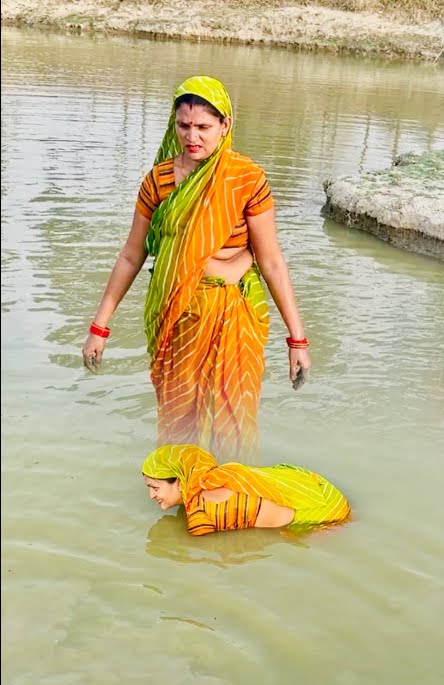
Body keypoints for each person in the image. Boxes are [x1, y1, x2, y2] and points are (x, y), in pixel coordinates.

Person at [81, 76, 310, 461]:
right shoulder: (158, 181)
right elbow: (131, 256)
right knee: (178, 418)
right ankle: (179, 498)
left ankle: (225, 501)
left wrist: (297, 339)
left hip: (232, 317)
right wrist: (99, 327)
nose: (193, 137)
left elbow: (270, 260)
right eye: (184, 126)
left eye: (204, 127)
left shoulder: (245, 178)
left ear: (226, 125)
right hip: (176, 317)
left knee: (232, 418)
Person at [142, 444, 350, 536]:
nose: (151, 496)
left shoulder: (201, 513)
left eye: (154, 488)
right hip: (313, 485)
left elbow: (281, 518)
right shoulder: (218, 474)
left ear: (180, 482)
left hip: (326, 514)